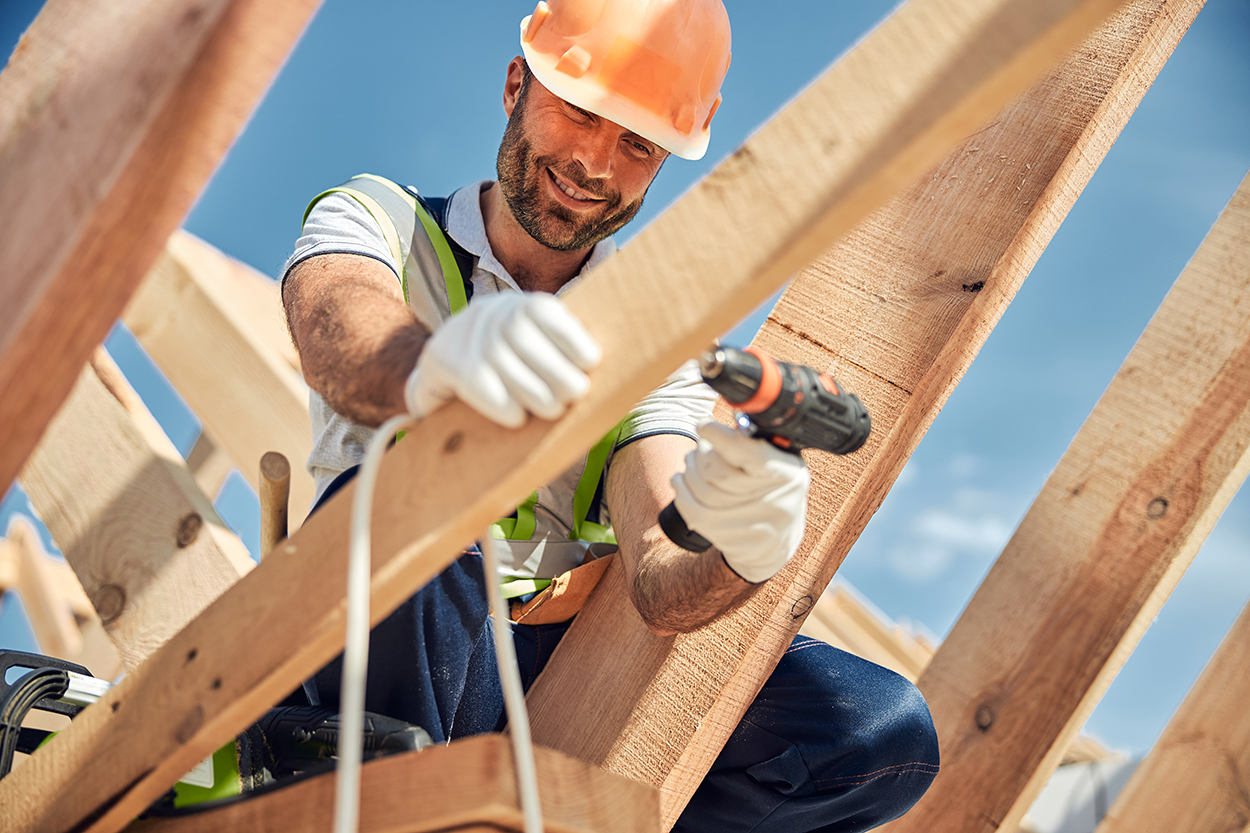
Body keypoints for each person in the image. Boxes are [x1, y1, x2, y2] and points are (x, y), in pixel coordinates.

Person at [280, 1, 938, 830]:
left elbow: (665, 584)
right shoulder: (380, 217)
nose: (593, 162)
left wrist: (734, 542)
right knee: (414, 498)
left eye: (637, 143)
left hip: (555, 679)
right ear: (518, 81)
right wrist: (432, 368)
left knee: (879, 731)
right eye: (580, 111)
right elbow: (335, 319)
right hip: (389, 634)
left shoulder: (649, 343)